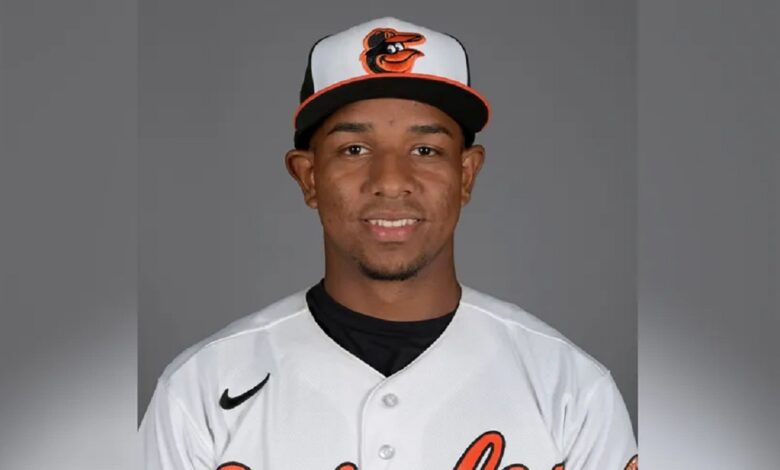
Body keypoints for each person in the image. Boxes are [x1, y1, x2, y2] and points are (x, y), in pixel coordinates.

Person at [141, 17, 638, 470]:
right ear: (308, 176)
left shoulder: (570, 390)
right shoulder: (200, 391)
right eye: (354, 149)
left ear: (466, 174)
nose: (391, 181)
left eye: (425, 149)